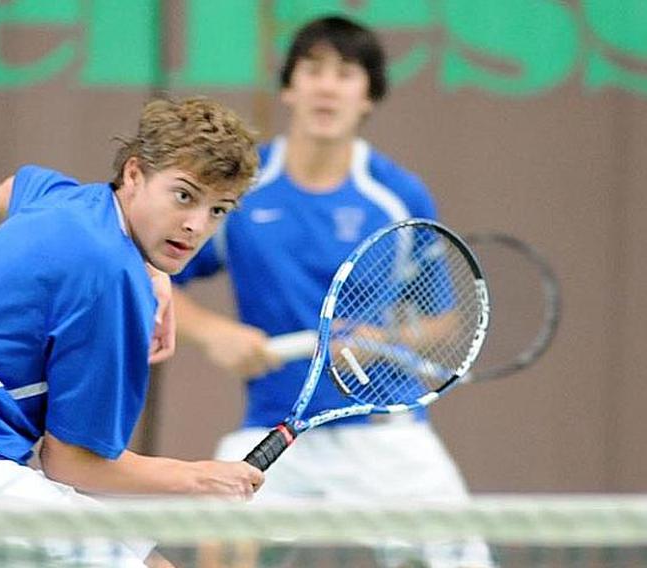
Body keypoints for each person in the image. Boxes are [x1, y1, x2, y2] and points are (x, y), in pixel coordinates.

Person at [0, 96, 264, 568]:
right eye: (183, 195)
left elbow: (10, 188)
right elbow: (71, 463)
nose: (196, 225)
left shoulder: (81, 203)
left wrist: (154, 273)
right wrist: (202, 479)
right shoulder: (107, 274)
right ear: (136, 175)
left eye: (218, 210)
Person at [173, 16, 493, 568]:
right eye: (313, 70)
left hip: (385, 431)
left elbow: (443, 322)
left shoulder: (396, 196)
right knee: (221, 544)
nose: (326, 86)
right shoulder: (241, 191)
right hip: (278, 426)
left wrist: (381, 338)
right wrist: (213, 332)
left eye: (345, 73)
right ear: (289, 88)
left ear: (368, 96)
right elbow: (157, 280)